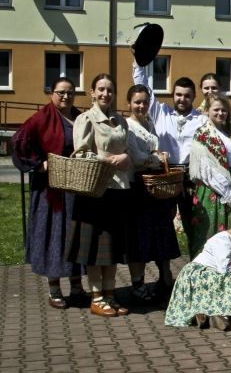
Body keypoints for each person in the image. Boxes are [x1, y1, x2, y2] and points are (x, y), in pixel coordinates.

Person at [10, 76, 87, 309]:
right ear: (51, 93)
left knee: (75, 236)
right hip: (50, 192)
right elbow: (18, 142)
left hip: (76, 188)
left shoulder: (79, 117)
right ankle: (54, 288)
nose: (66, 96)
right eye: (61, 92)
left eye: (70, 92)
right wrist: (38, 164)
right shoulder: (41, 118)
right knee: (54, 237)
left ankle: (76, 286)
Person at [66, 73, 131, 317]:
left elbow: (126, 152)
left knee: (112, 248)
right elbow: (80, 154)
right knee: (94, 249)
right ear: (92, 92)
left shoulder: (120, 121)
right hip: (95, 192)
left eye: (110, 90)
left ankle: (110, 294)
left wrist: (126, 157)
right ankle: (96, 296)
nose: (106, 94)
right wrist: (108, 160)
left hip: (118, 190)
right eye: (101, 89)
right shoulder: (86, 119)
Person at [132, 59, 208, 251]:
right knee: (162, 226)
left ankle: (195, 266)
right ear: (173, 95)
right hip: (165, 175)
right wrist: (138, 61)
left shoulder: (202, 120)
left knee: (195, 224)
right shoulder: (161, 112)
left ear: (193, 97)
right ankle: (164, 273)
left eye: (187, 96)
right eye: (178, 95)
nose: (182, 99)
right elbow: (143, 87)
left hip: (191, 178)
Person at [124, 84, 180, 303]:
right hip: (139, 186)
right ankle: (137, 283)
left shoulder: (149, 123)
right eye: (137, 102)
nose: (141, 106)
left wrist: (157, 157)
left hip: (155, 184)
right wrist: (157, 158)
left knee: (160, 232)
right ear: (129, 103)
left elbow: (154, 152)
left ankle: (165, 277)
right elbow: (137, 157)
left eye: (145, 102)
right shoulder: (127, 126)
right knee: (139, 237)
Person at [164, 206, 231, 330]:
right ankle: (223, 314)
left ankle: (207, 315)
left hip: (208, 273)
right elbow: (225, 268)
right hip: (197, 274)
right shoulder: (223, 239)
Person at [188, 93, 231, 258]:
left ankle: (230, 269)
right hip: (213, 192)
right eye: (216, 109)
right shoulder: (203, 135)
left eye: (224, 110)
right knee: (210, 233)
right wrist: (229, 192)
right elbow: (207, 170)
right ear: (207, 111)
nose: (220, 113)